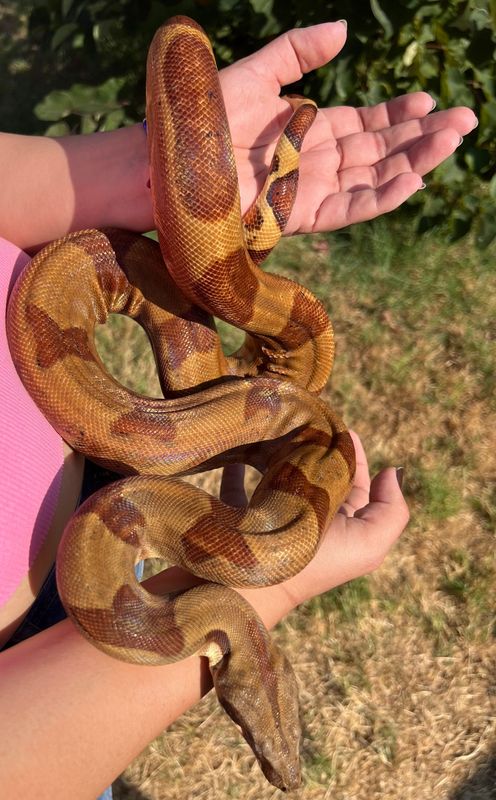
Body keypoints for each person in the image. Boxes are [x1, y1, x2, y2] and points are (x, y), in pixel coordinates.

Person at [0, 20, 477, 799]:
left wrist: (139, 170)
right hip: (51, 664)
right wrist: (277, 583)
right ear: (218, 666)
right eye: (259, 741)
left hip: (96, 518)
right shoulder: (196, 598)